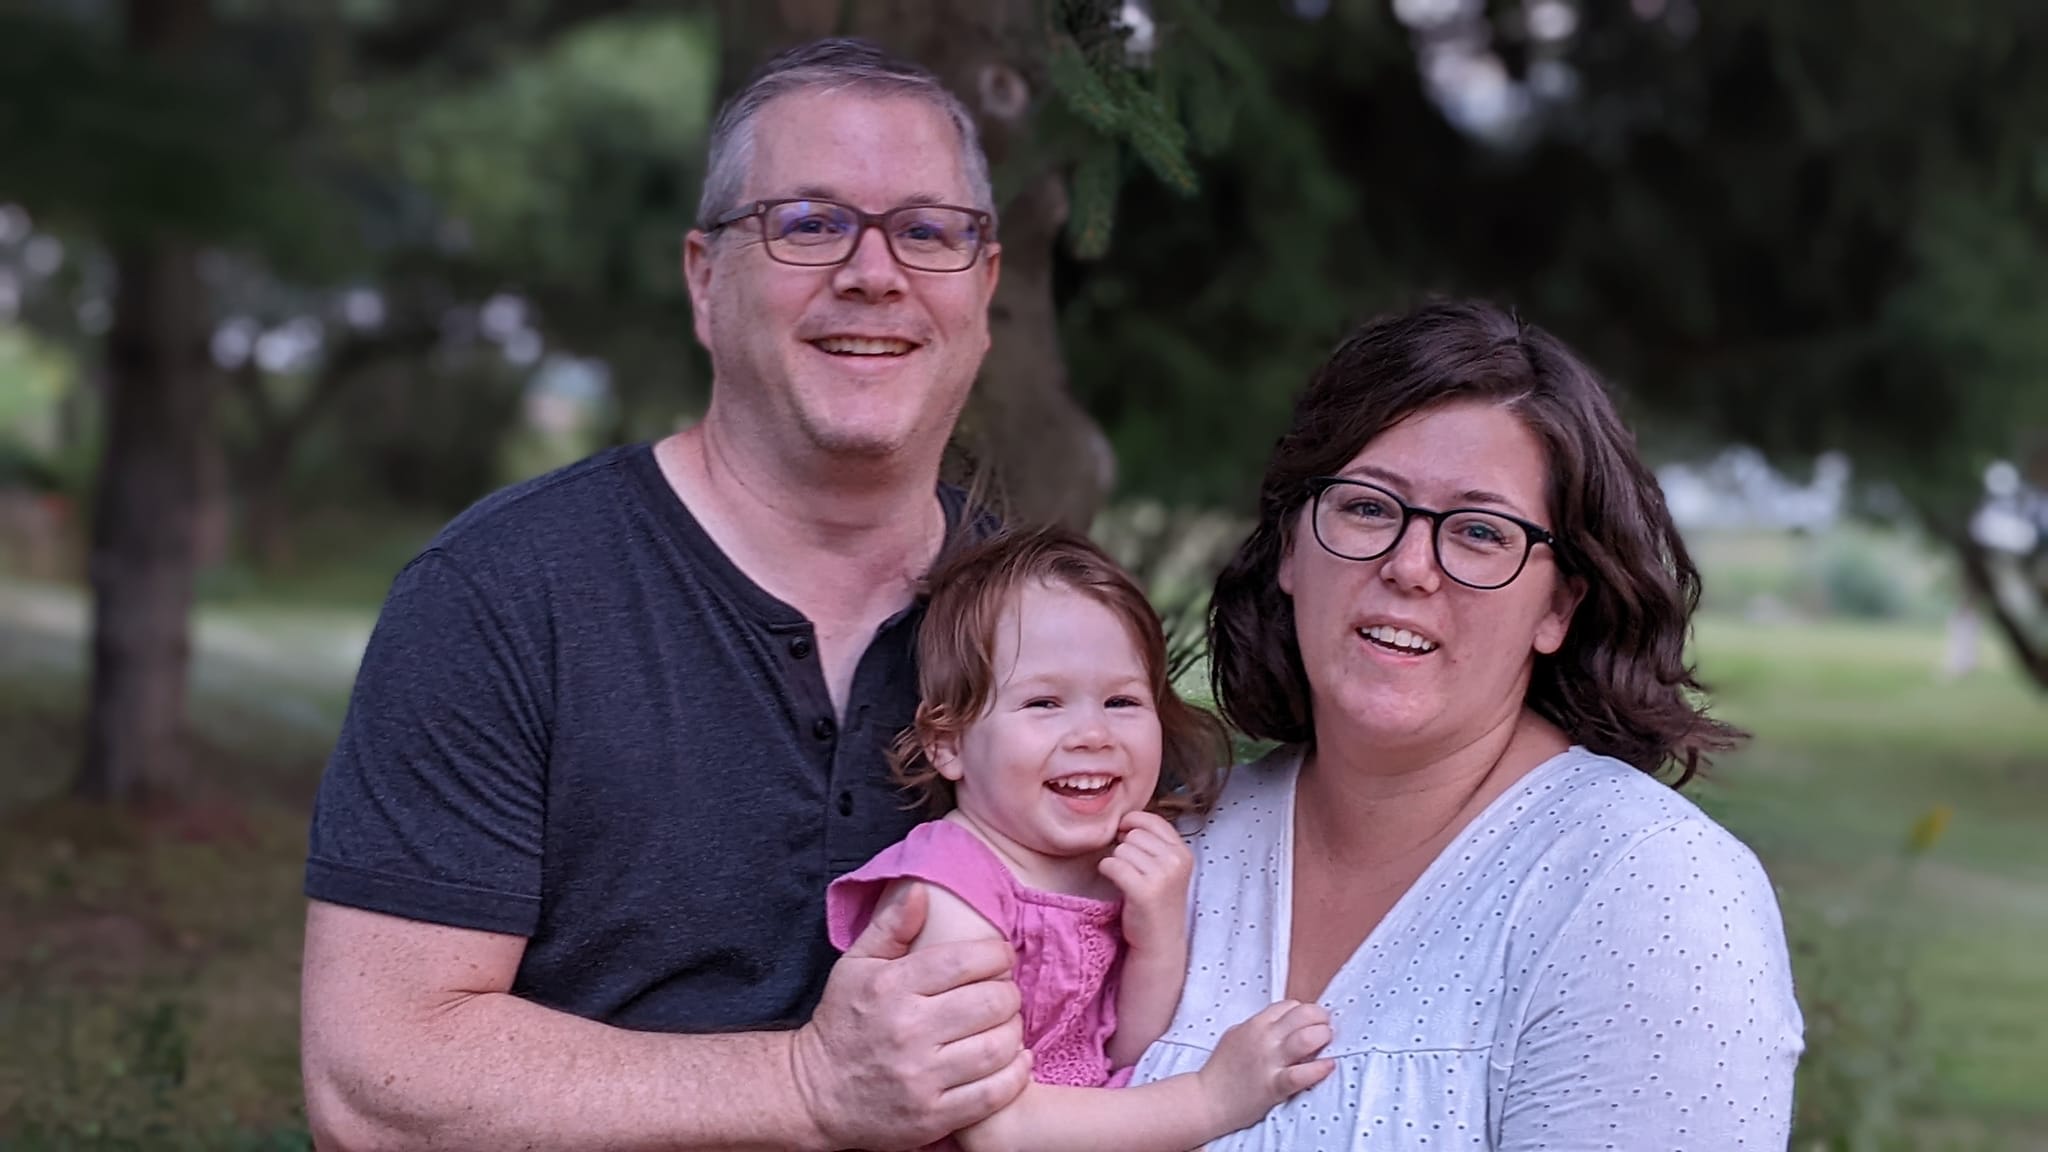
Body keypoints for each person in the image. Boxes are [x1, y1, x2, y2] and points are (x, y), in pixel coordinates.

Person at [299, 40, 1035, 1151]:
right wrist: (804, 1086)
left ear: (982, 288)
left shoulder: (1045, 625)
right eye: (808, 222)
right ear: (704, 277)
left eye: (926, 231)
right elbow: (377, 1082)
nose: (872, 273)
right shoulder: (505, 596)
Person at [1129, 299, 1804, 1148]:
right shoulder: (1173, 844)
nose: (1410, 567)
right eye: (1369, 508)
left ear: (1558, 605)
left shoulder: (1651, 896)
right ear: (1292, 547)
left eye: (1481, 532)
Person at [824, 526, 1335, 1151]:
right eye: (1044, 703)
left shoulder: (1115, 861)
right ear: (949, 742)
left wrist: (1156, 935)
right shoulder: (948, 892)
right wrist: (1211, 1098)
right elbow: (998, 1130)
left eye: (1121, 702)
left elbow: (1124, 1050)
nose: (1092, 734)